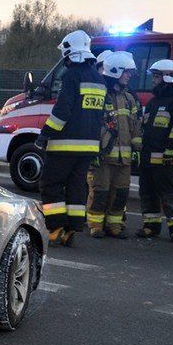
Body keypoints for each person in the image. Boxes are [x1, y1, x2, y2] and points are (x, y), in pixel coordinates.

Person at [36, 30, 107, 246]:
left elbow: (63, 111)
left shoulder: (71, 76)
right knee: (77, 186)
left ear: (69, 52)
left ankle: (56, 226)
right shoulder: (98, 78)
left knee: (51, 183)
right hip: (89, 147)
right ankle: (72, 229)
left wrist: (45, 134)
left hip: (64, 144)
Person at [136, 59, 173, 240]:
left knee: (168, 193)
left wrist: (171, 149)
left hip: (165, 159)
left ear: (169, 77)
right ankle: (151, 225)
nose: (153, 80)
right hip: (146, 158)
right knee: (147, 192)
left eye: (157, 76)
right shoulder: (153, 102)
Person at [87, 51, 141, 238]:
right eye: (126, 72)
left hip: (124, 158)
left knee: (120, 193)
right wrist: (93, 152)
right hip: (103, 156)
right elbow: (92, 125)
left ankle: (114, 225)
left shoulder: (129, 99)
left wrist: (137, 149)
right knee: (100, 192)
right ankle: (95, 224)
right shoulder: (101, 96)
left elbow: (136, 125)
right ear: (115, 72)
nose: (128, 76)